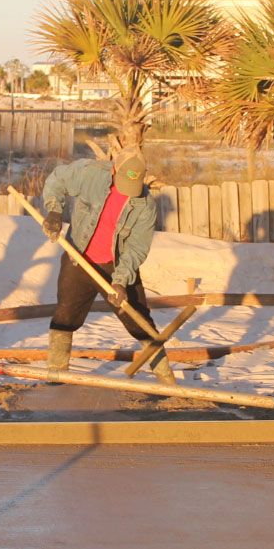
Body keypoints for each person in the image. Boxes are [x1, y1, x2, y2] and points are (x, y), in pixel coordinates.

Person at [39, 152, 175, 385]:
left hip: (116, 265)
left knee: (138, 318)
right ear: (114, 171)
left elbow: (136, 249)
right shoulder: (90, 173)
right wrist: (54, 211)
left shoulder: (145, 206)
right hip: (78, 257)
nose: (127, 190)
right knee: (65, 315)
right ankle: (56, 374)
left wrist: (120, 281)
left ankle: (166, 377)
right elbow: (57, 179)